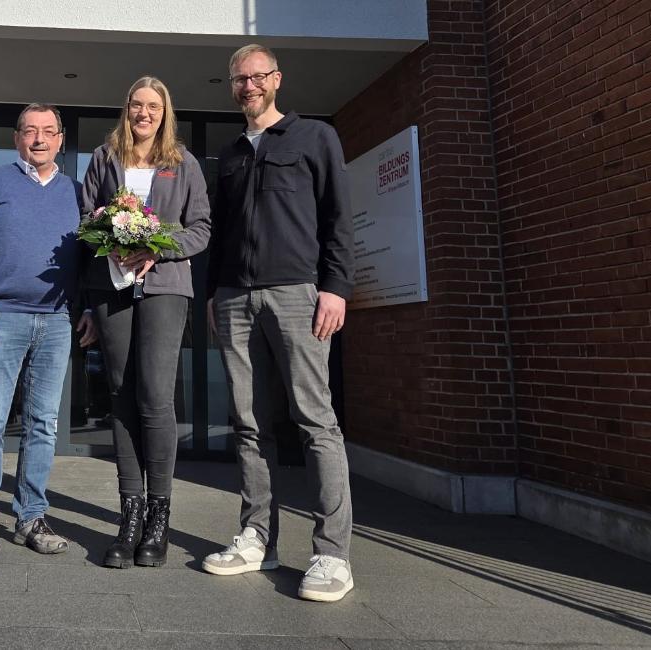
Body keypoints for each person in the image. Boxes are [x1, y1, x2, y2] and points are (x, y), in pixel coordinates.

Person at [203, 44, 356, 602]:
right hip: (235, 299)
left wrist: (336, 287)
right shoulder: (231, 155)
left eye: (257, 77)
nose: (248, 86)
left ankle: (332, 554)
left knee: (315, 420)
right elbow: (219, 238)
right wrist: (213, 296)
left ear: (277, 80)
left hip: (298, 295)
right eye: (239, 79)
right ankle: (256, 537)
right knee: (248, 421)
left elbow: (338, 217)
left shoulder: (315, 137)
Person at [0, 103, 99, 560]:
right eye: (30, 131)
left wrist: (89, 306)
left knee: (44, 424)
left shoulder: (77, 192)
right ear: (17, 137)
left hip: (57, 320)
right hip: (1, 315)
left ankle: (30, 515)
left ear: (61, 140)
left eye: (48, 132)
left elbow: (93, 253)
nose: (39, 139)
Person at [80, 77, 211, 569]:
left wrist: (158, 245)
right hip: (110, 288)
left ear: (165, 111)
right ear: (126, 109)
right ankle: (128, 518)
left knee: (155, 397)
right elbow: (84, 216)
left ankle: (159, 520)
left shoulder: (183, 161)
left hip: (165, 288)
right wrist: (107, 233)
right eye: (136, 104)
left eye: (153, 106)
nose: (144, 113)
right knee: (121, 395)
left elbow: (201, 228)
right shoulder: (104, 155)